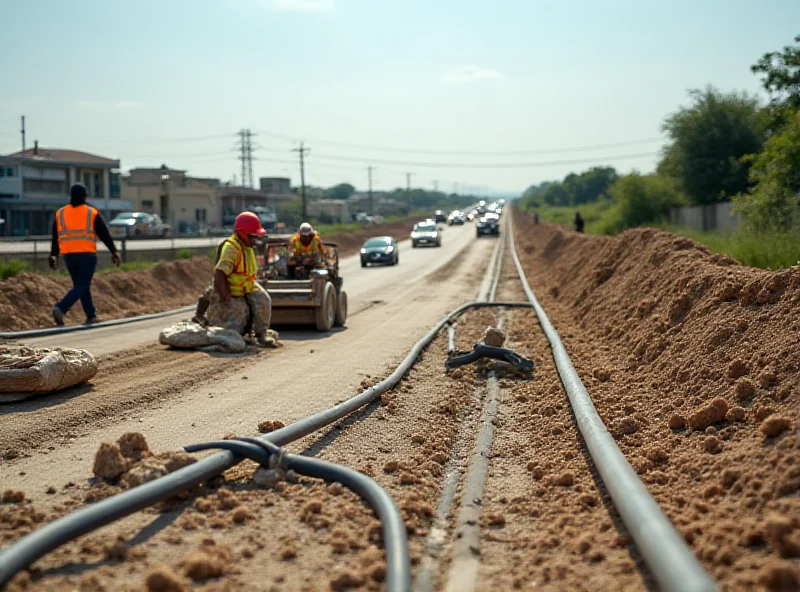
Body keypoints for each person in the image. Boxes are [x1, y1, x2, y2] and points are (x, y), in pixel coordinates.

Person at [192, 212, 275, 347]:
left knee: (264, 300)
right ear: (241, 233)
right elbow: (219, 274)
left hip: (247, 285)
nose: (254, 240)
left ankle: (261, 334)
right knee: (211, 296)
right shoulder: (231, 249)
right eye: (251, 236)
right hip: (231, 286)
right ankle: (199, 317)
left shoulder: (247, 246)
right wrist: (226, 298)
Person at [49, 183, 121, 326]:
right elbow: (104, 234)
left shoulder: (60, 213)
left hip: (69, 256)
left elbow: (55, 236)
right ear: (85, 196)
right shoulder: (91, 212)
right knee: (82, 285)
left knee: (81, 285)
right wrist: (113, 251)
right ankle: (61, 308)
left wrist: (53, 255)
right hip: (86, 255)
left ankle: (91, 315)